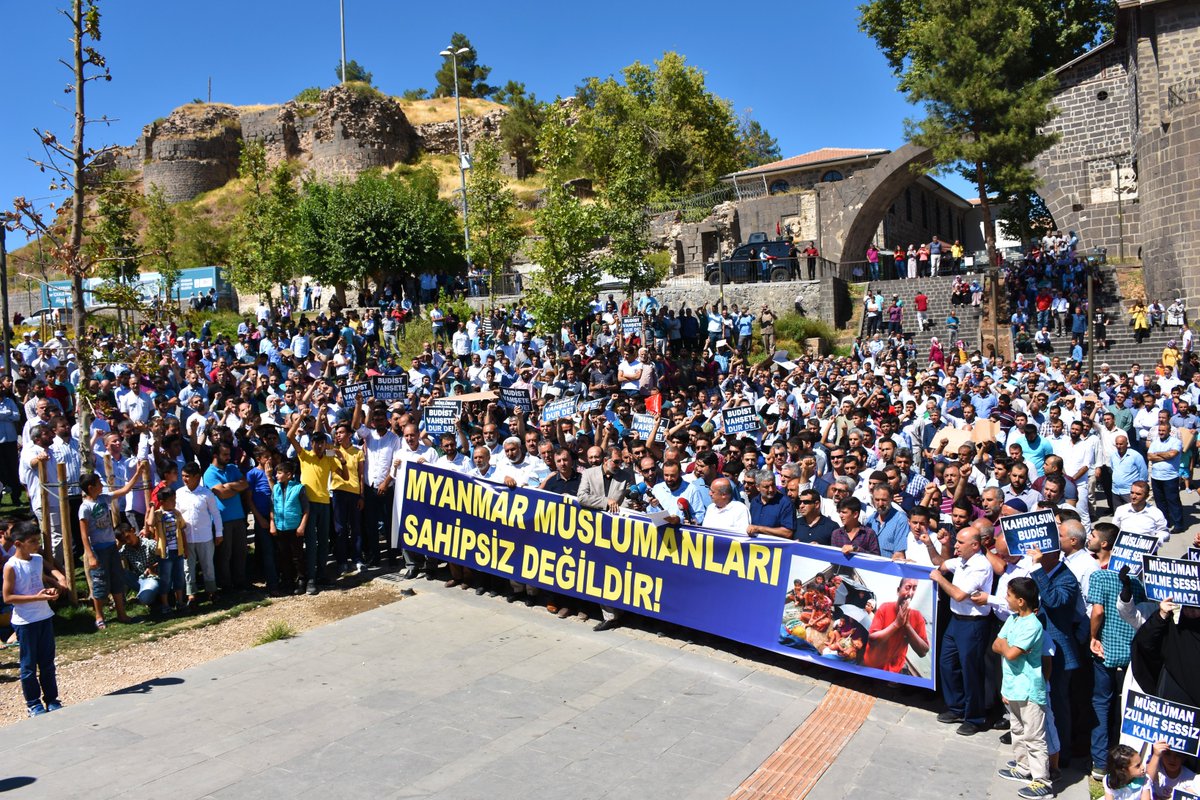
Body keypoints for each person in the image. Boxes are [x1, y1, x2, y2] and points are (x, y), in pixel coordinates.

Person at [993, 576, 1053, 800]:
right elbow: (996, 644)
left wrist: (1007, 646)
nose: (1005, 598)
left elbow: (1008, 652)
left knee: (1034, 736)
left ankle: (1042, 782)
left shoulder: (1033, 625)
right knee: (1017, 730)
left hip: (1029, 690)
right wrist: (1008, 647)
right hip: (1012, 686)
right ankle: (1023, 766)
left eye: (1009, 595)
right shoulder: (1013, 619)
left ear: (1020, 601)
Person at [930, 527, 993, 736]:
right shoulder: (961, 561)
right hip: (956, 621)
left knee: (971, 671)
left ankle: (974, 717)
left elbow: (959, 595)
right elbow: (940, 564)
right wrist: (933, 545)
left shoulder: (981, 566)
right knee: (947, 664)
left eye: (960, 543)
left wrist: (940, 579)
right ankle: (956, 707)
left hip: (973, 624)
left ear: (974, 545)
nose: (956, 546)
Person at [2, 522, 67, 716]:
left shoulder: (37, 560)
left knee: (47, 663)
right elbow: (8, 597)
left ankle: (52, 699)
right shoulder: (11, 566)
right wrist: (37, 597)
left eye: (38, 540)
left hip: (44, 616)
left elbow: (44, 579)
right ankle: (33, 703)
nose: (37, 545)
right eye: (32, 541)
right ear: (18, 543)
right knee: (29, 665)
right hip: (26, 621)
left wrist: (53, 588)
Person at [78, 467, 145, 629]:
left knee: (116, 580)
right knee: (100, 582)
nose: (102, 485)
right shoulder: (85, 508)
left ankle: (121, 613)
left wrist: (138, 473)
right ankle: (99, 616)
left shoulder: (103, 499)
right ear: (91, 488)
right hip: (98, 550)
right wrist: (90, 555)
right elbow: (84, 534)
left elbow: (125, 490)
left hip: (111, 547)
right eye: (99, 483)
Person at [863, 578, 929, 673]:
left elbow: (923, 652)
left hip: (893, 671)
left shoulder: (917, 617)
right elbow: (872, 640)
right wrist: (896, 624)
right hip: (872, 666)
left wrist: (907, 626)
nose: (910, 593)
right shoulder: (884, 608)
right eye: (908, 587)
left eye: (914, 589)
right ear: (898, 590)